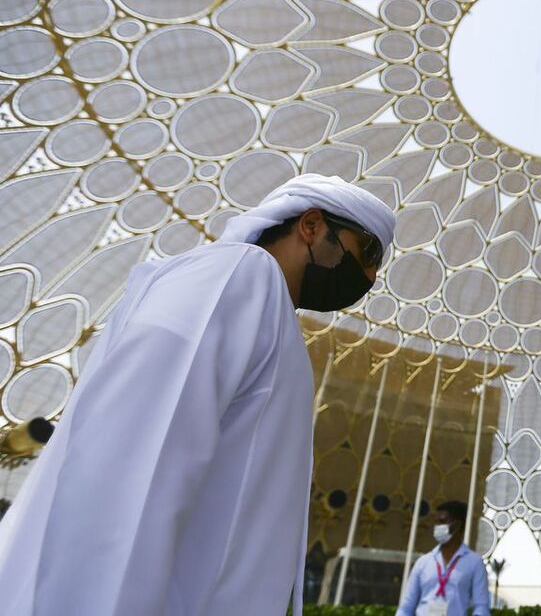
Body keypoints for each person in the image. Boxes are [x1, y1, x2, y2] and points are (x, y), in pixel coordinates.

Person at [0, 175, 395, 616]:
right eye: (369, 252)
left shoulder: (266, 304)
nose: (373, 276)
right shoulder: (238, 274)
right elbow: (133, 463)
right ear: (311, 225)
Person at [397, 501, 491, 616]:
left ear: (457, 525)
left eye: (442, 522)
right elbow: (406, 607)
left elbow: (481, 607)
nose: (437, 527)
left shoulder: (474, 563)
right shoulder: (423, 562)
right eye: (436, 522)